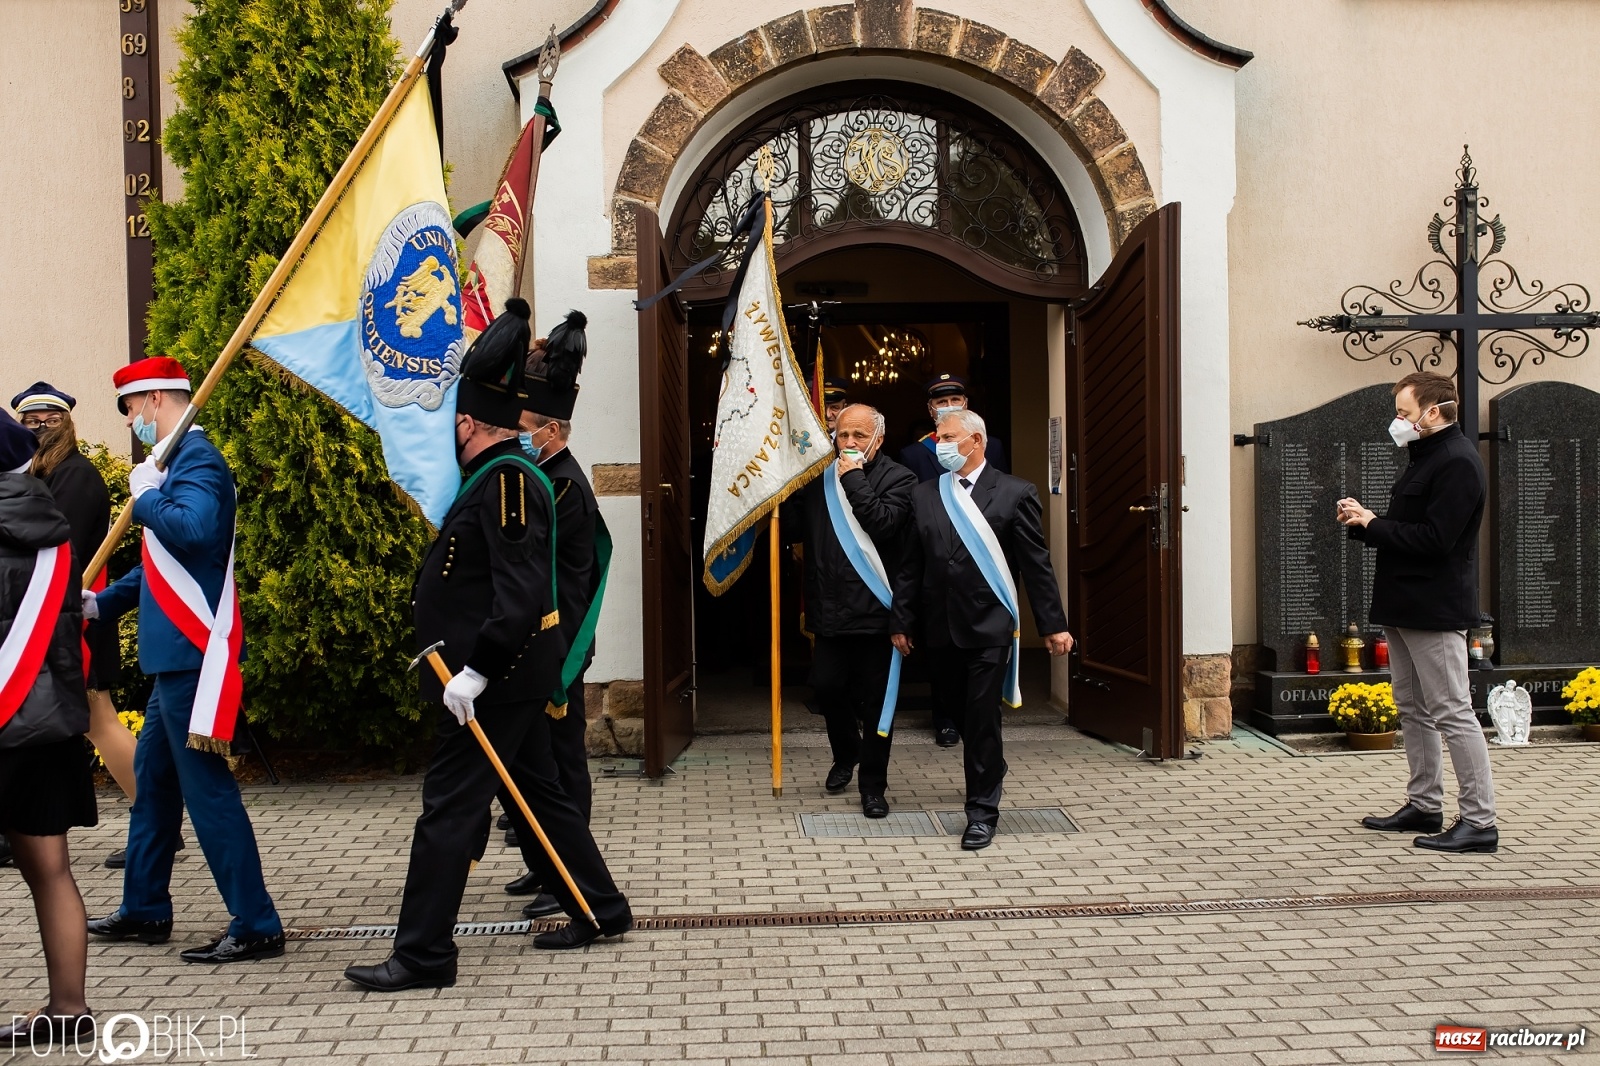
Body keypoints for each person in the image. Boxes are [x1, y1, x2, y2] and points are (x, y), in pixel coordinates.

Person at [345, 300, 631, 994]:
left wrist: (474, 673)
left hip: (496, 681)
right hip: (507, 677)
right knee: (541, 792)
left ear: (468, 423)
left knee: (449, 807)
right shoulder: (497, 476)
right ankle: (602, 908)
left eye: (451, 419)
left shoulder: (507, 481)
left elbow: (521, 595)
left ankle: (423, 954)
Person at [83, 356, 284, 963]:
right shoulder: (172, 462)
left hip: (192, 654)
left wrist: (145, 497)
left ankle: (256, 923)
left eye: (130, 409)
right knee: (155, 790)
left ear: (153, 399)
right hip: (174, 657)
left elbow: (193, 531)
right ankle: (145, 906)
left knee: (207, 792)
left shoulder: (196, 460)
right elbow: (163, 566)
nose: (130, 422)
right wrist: (100, 605)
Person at [891, 408, 1073, 850]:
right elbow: (910, 565)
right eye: (938, 437)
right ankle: (991, 763)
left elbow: (1036, 564)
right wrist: (902, 620)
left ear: (976, 441)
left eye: (948, 437)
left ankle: (981, 812)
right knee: (957, 709)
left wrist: (1053, 625)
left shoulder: (1014, 492)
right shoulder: (924, 494)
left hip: (989, 625)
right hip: (939, 626)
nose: (940, 445)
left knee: (981, 715)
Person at [1338, 370, 1498, 853]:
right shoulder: (1426, 456)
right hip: (1404, 602)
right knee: (1413, 708)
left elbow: (1436, 540)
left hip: (1434, 606)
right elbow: (1410, 527)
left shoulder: (1458, 461)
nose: (1398, 420)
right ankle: (1425, 804)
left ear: (1432, 412)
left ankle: (1480, 822)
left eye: (1404, 412)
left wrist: (1375, 523)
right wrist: (1365, 522)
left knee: (1452, 711)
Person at [500, 310, 609, 919]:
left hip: (557, 644)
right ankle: (544, 861)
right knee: (533, 763)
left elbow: (562, 583)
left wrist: (549, 652)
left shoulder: (563, 486)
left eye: (521, 428)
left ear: (550, 430)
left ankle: (566, 874)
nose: (514, 437)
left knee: (563, 763)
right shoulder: (539, 475)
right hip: (536, 643)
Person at [12, 382, 145, 870]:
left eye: (50, 419)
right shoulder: (44, 474)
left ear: (66, 423)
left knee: (99, 721)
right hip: (50, 617)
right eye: (31, 421)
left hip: (74, 618)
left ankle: (156, 823)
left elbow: (55, 549)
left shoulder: (76, 475)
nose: (41, 427)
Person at [0, 410, 98, 1050]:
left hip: (4, 722)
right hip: (50, 722)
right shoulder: (52, 528)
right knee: (52, 871)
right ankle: (69, 1009)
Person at [789, 405, 915, 815]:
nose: (849, 443)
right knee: (826, 688)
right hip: (829, 610)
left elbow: (883, 524)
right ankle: (847, 752)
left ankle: (873, 787)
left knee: (877, 704)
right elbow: (793, 527)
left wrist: (853, 477)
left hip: (878, 613)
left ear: (879, 438)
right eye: (842, 435)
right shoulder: (819, 479)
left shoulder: (901, 478)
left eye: (859, 435)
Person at [898, 374, 1009, 485]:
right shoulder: (913, 455)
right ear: (930, 409)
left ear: (965, 404)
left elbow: (1004, 488)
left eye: (955, 400)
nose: (949, 406)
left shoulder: (992, 446)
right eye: (942, 402)